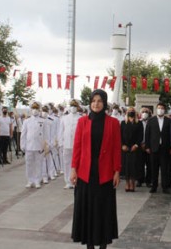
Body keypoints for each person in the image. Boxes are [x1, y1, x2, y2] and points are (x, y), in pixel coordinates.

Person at [70, 89, 121, 249]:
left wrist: (117, 171)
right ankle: (90, 245)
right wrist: (73, 168)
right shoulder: (82, 122)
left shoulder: (113, 123)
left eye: (99, 101)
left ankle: (103, 244)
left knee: (103, 211)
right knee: (88, 210)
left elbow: (116, 149)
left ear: (104, 103)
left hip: (105, 174)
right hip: (86, 173)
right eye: (93, 101)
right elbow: (77, 147)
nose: (96, 104)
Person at [144, 102, 171, 194]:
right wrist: (147, 146)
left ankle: (165, 187)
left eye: (162, 108)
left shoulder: (169, 121)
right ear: (156, 109)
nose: (160, 109)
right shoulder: (151, 120)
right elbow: (147, 134)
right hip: (153, 148)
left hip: (165, 148)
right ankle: (154, 186)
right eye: (159, 108)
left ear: (164, 110)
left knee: (164, 168)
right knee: (154, 168)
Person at [21, 102, 48, 188]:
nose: (35, 110)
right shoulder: (27, 121)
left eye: (36, 108)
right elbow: (23, 134)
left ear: (39, 110)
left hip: (38, 146)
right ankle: (30, 180)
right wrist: (23, 145)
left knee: (38, 164)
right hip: (29, 146)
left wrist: (44, 146)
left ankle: (37, 180)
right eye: (33, 108)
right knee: (29, 164)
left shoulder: (43, 121)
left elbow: (45, 134)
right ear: (31, 110)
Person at [60, 100, 81, 189]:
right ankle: (68, 181)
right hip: (67, 144)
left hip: (77, 145)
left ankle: (76, 180)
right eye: (72, 106)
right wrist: (61, 143)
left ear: (78, 107)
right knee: (67, 163)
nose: (73, 108)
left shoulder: (81, 118)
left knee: (77, 163)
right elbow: (61, 131)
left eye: (75, 106)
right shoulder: (64, 118)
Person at [121, 107, 143, 192]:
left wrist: (136, 145)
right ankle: (127, 183)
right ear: (126, 113)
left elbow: (141, 136)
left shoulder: (139, 123)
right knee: (126, 166)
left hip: (135, 148)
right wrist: (122, 145)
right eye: (129, 111)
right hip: (125, 148)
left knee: (134, 166)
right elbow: (120, 135)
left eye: (132, 111)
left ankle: (132, 183)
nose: (131, 112)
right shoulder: (123, 123)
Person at [137, 107, 151, 188]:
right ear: (140, 113)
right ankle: (140, 180)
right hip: (139, 146)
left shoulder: (151, 122)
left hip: (149, 147)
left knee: (149, 165)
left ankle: (148, 181)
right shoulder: (138, 122)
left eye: (146, 111)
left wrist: (147, 145)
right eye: (143, 111)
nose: (145, 113)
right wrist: (140, 144)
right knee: (140, 164)